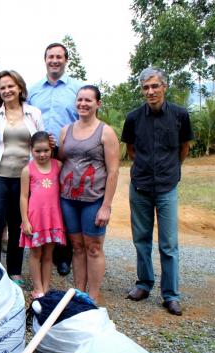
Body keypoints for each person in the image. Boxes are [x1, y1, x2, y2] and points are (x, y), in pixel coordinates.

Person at [121, 67, 193, 316]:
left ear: (164, 87)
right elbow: (131, 149)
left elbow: (184, 147)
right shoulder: (133, 118)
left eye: (154, 86)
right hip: (140, 186)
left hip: (166, 187)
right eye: (145, 87)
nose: (150, 91)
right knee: (141, 240)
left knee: (169, 244)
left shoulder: (180, 115)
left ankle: (171, 295)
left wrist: (171, 169)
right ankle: (143, 284)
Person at [0, 70, 44, 284]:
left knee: (19, 224)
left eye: (10, 86)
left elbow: (42, 144)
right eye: (3, 87)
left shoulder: (33, 113)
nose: (7, 90)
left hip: (25, 179)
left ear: (20, 88)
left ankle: (14, 271)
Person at [58, 85, 120, 303]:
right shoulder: (66, 130)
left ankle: (92, 298)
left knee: (93, 248)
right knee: (76, 247)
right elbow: (61, 160)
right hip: (68, 199)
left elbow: (113, 171)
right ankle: (78, 293)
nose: (83, 104)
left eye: (88, 100)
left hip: (94, 199)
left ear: (98, 104)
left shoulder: (106, 132)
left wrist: (107, 205)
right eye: (80, 100)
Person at [28, 42, 83, 277]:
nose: (54, 60)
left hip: (66, 153)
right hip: (39, 153)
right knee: (42, 199)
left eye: (59, 56)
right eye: (51, 56)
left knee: (65, 201)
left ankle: (63, 255)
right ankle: (40, 249)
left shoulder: (77, 89)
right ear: (45, 59)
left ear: (66, 60)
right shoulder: (33, 90)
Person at [19, 131, 66, 299]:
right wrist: (25, 220)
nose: (42, 154)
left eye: (46, 150)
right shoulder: (27, 170)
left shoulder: (58, 166)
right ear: (31, 150)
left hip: (52, 218)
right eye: (37, 151)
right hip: (35, 218)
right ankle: (37, 287)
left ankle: (46, 288)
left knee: (48, 255)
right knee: (35, 254)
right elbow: (24, 196)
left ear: (51, 149)